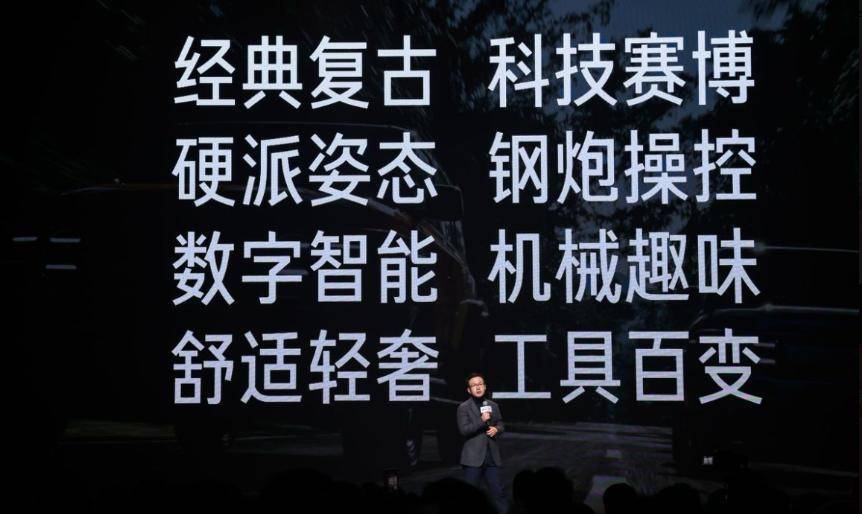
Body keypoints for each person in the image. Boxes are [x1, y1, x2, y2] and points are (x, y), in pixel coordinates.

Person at [457, 372, 508, 513]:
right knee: (470, 495)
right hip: (473, 458)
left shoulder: (493, 405)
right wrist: (481, 420)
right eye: (474, 385)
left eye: (480, 384)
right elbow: (464, 430)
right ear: (469, 390)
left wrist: (497, 429)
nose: (478, 387)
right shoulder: (463, 407)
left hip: (491, 456)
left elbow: (501, 424)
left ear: (485, 387)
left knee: (498, 492)